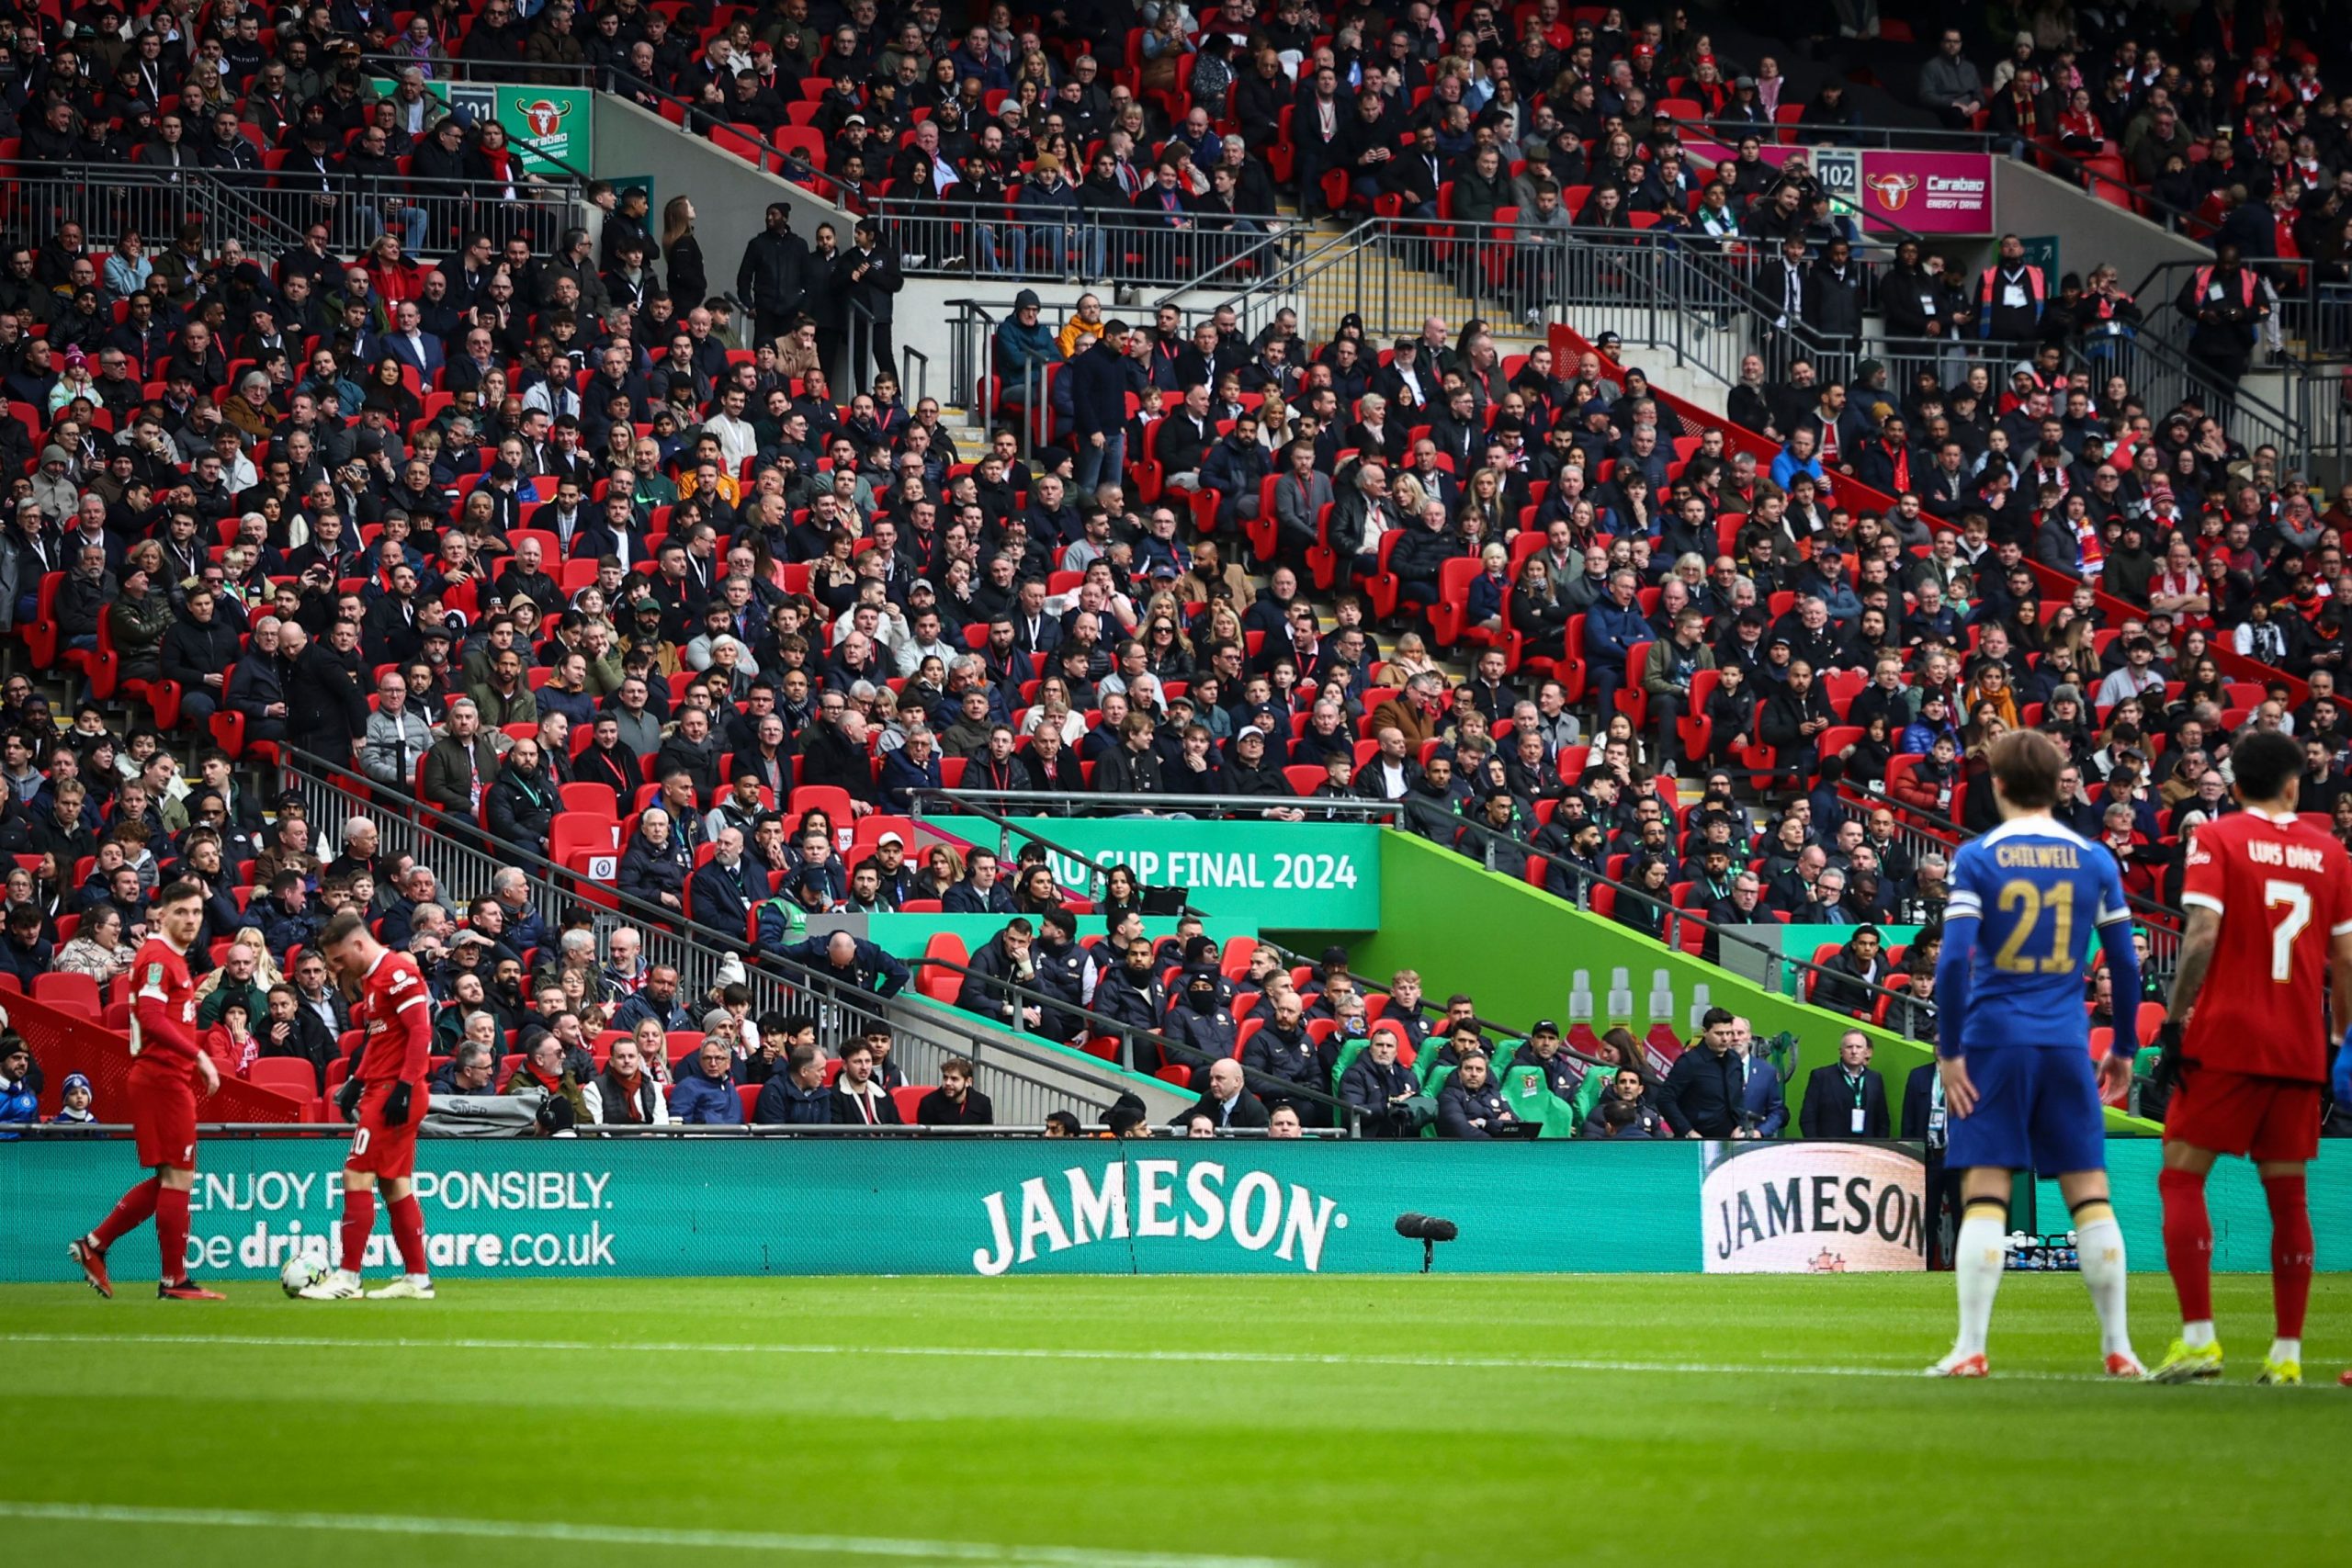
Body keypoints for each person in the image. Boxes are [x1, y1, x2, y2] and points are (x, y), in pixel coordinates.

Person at [1928, 729, 2143, 1378]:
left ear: (1995, 785)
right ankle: (2118, 1346)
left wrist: (1948, 1048)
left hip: (1995, 1041)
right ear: (2060, 785)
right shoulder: (2095, 858)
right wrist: (2126, 1045)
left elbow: (1954, 962)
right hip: (2065, 1041)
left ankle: (1971, 1346)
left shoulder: (1978, 856)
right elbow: (2126, 964)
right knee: (2089, 1193)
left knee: (1986, 1190)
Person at [2148, 729, 2352, 1387]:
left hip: (2229, 1035)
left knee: (2181, 1177)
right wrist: (2338, 1038)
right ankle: (2287, 1354)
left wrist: (2175, 1019)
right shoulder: (2333, 855)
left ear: (2234, 787)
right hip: (2299, 1044)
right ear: (2296, 784)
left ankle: (2200, 1339)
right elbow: (2346, 958)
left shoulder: (2218, 837)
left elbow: (2202, 932)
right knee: (2289, 1196)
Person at [68, 882, 224, 1301]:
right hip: (161, 1079)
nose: (191, 919)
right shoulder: (157, 958)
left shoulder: (171, 958)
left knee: (170, 1178)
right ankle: (173, 1280)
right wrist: (200, 1057)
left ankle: (95, 1245)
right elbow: (153, 1019)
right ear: (162, 915)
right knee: (179, 1176)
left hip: (166, 1078)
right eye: (181, 912)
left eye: (196, 912)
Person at [297, 908, 436, 1301]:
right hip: (383, 1086)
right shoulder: (373, 980)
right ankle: (417, 1278)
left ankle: (348, 1276)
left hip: (394, 1091)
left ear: (359, 944)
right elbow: (381, 1040)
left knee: (355, 1174)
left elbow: (420, 1032)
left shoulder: (396, 973)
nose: (336, 968)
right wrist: (355, 1082)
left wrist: (406, 1086)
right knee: (394, 1183)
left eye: (339, 959)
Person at [1798, 1030, 1890, 1139]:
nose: (1854, 1051)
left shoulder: (1875, 1078)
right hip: (1831, 1149)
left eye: (1859, 1047)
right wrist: (1817, 1147)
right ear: (1841, 1051)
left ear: (1866, 1052)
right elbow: (1808, 1117)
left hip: (1865, 1149)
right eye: (1849, 1047)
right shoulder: (1821, 1076)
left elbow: (1882, 1120)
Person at [916, 1056, 995, 1125]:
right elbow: (924, 1140)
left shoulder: (983, 1103)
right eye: (945, 1077)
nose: (947, 1083)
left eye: (954, 1079)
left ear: (968, 1082)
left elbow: (987, 1138)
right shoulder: (928, 1103)